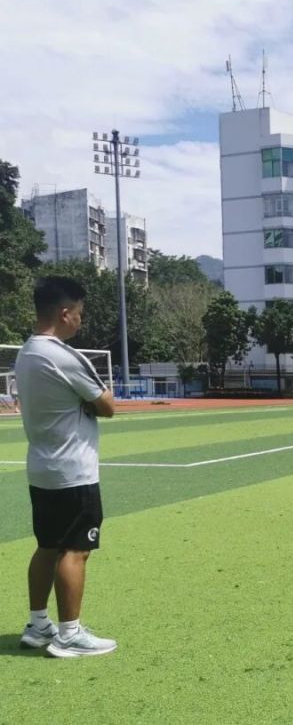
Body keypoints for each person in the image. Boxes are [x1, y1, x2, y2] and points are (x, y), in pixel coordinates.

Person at [15, 276, 117, 657]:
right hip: (73, 471)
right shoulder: (64, 356)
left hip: (42, 468)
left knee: (47, 546)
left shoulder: (26, 352)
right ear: (63, 313)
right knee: (76, 550)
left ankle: (38, 624)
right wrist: (88, 402)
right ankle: (70, 634)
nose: (80, 320)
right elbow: (107, 405)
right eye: (79, 313)